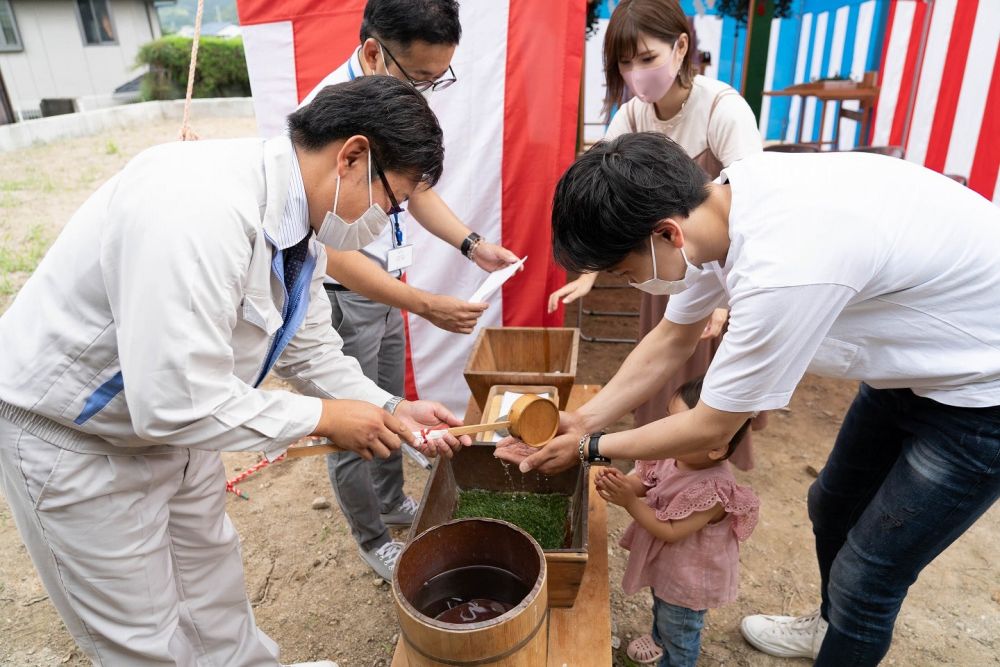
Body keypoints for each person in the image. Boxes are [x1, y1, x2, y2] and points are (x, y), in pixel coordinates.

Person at [0, 76, 470, 666]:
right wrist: (324, 416)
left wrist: (391, 407)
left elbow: (307, 346)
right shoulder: (196, 206)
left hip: (187, 429)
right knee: (144, 637)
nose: (387, 222)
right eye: (393, 204)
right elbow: (169, 398)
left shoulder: (303, 220)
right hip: (80, 437)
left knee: (211, 593)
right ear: (352, 156)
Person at [497, 132, 1000, 664]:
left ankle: (846, 623)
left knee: (867, 576)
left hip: (982, 392)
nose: (630, 282)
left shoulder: (783, 268)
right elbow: (673, 338)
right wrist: (582, 420)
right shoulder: (721, 206)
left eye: (625, 272)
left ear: (665, 234)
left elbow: (711, 427)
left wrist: (589, 447)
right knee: (830, 504)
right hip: (913, 366)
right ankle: (831, 627)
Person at [298, 0, 519, 580]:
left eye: (436, 78)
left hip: (386, 286)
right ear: (374, 51)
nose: (426, 90)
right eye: (419, 77)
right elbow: (336, 255)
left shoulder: (387, 99)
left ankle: (392, 501)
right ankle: (373, 539)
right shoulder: (329, 117)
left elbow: (413, 188)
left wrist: (472, 245)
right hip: (346, 298)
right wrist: (424, 304)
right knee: (354, 418)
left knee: (390, 399)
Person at [546, 0, 763, 464]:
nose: (635, 73)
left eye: (646, 59)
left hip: (722, 263)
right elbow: (598, 198)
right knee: (665, 344)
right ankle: (657, 453)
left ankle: (706, 462)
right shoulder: (633, 114)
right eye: (624, 63)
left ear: (681, 46)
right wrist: (591, 268)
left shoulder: (723, 110)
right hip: (665, 258)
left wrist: (726, 305)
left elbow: (747, 212)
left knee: (710, 377)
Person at [596, 375, 758, 666]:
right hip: (668, 565)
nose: (668, 432)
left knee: (680, 630)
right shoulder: (671, 455)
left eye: (680, 428)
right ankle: (659, 639)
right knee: (661, 603)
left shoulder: (713, 489)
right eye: (669, 421)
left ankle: (675, 656)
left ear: (717, 446)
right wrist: (622, 484)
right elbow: (647, 484)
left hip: (689, 578)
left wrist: (629, 502)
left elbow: (671, 531)